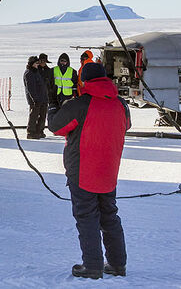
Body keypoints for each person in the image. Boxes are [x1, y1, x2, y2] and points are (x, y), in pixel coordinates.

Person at [48, 62, 131, 279]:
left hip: (83, 170)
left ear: (84, 81)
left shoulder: (81, 104)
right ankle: (117, 264)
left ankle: (92, 266)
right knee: (109, 216)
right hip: (109, 169)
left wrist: (54, 107)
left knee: (87, 217)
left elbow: (56, 126)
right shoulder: (120, 103)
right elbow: (126, 124)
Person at [22, 56, 48, 139]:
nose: (38, 65)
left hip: (42, 97)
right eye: (36, 63)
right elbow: (31, 88)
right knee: (34, 115)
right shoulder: (29, 73)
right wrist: (35, 99)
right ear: (31, 64)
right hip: (35, 99)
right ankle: (31, 132)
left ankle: (39, 131)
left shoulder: (36, 72)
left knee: (42, 115)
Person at [38, 53, 57, 119]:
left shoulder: (49, 71)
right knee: (35, 115)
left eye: (44, 61)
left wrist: (51, 95)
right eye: (41, 61)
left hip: (46, 96)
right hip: (37, 96)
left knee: (43, 115)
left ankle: (41, 128)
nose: (42, 62)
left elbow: (52, 84)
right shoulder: (35, 71)